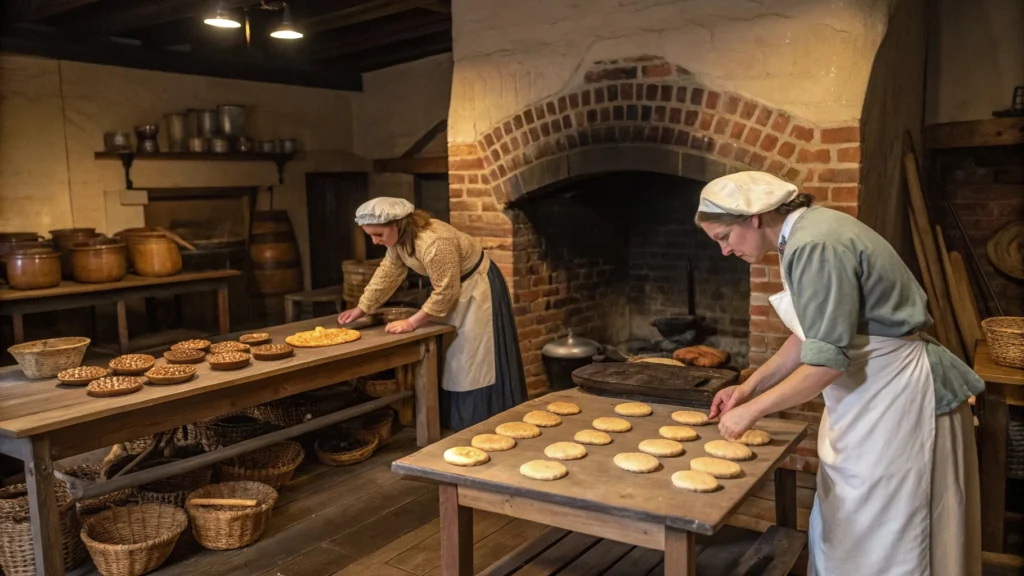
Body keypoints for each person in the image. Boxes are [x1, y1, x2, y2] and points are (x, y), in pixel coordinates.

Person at [696, 172, 982, 575]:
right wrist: (747, 388)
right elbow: (810, 336)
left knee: (888, 534)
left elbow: (826, 361)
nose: (725, 250)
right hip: (875, 397)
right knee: (856, 528)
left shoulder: (816, 243)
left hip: (900, 396)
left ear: (754, 217)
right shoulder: (803, 234)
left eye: (724, 236)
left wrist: (752, 411)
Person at [337, 197, 527, 431]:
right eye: (370, 236)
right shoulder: (400, 240)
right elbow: (389, 272)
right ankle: (456, 423)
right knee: (453, 358)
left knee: (474, 359)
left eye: (378, 235)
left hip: (478, 289)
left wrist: (412, 322)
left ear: (399, 224)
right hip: (455, 289)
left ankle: (484, 424)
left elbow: (446, 290)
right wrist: (363, 307)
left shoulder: (435, 242)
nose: (375, 241)